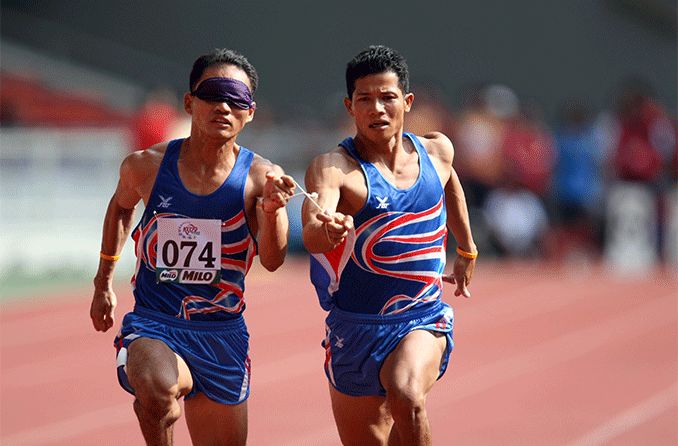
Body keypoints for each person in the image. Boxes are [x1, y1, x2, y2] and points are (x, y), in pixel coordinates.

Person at [90, 48, 295, 446]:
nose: (223, 106)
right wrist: (103, 281)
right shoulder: (145, 166)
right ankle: (149, 388)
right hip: (155, 322)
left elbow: (272, 260)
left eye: (236, 99)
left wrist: (272, 210)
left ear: (249, 113)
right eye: (213, 94)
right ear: (189, 102)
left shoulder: (261, 178)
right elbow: (119, 208)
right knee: (158, 394)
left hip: (222, 334)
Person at [302, 45, 477, 446]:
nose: (376, 108)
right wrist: (328, 228)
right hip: (353, 329)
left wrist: (467, 249)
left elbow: (451, 185)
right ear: (350, 106)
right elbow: (313, 227)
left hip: (422, 318)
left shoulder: (437, 151)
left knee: (407, 395)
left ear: (407, 102)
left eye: (387, 97)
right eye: (365, 99)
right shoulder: (334, 168)